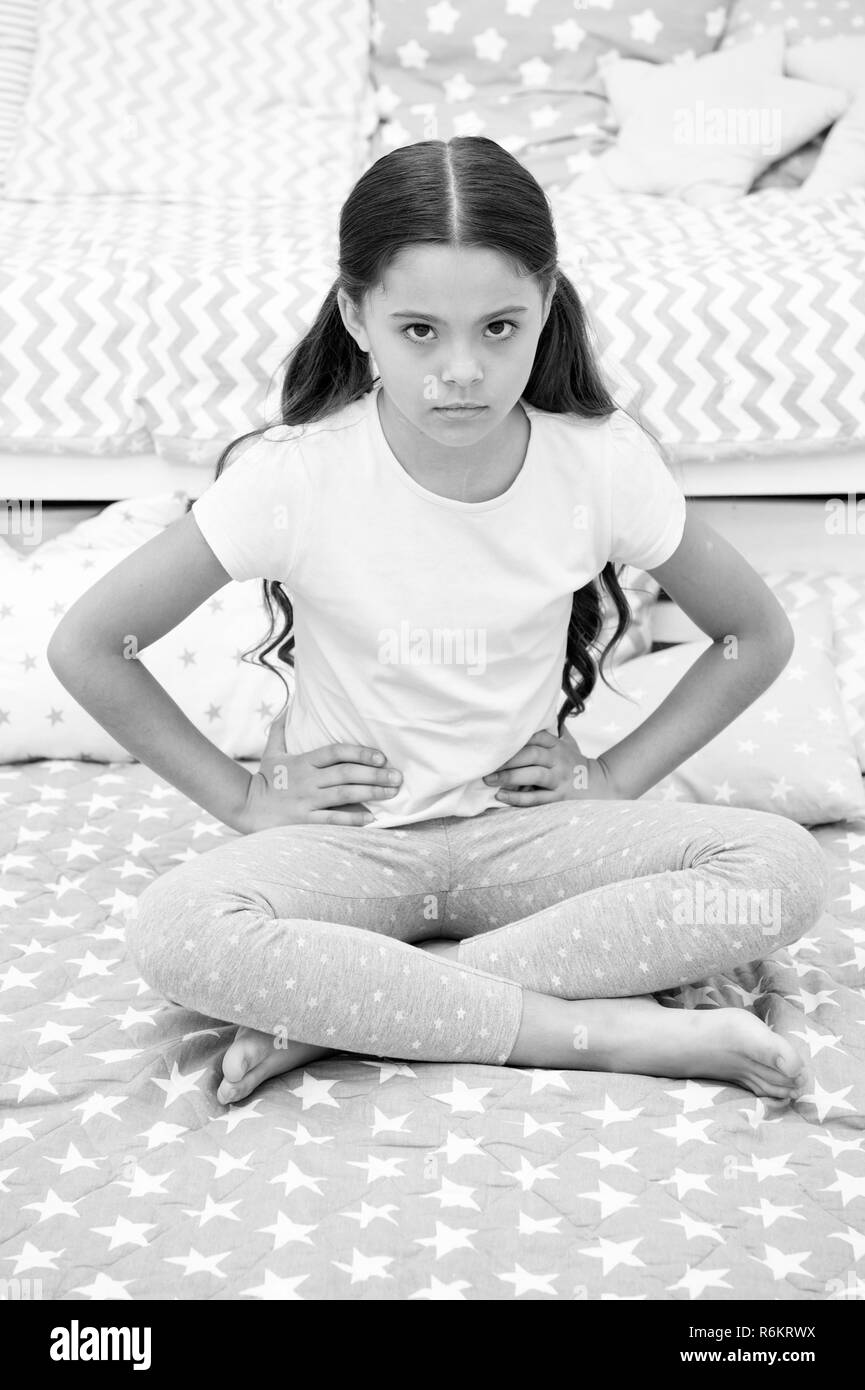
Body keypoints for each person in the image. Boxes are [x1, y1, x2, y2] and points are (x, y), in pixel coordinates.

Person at [48, 136, 828, 1109]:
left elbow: (752, 635)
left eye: (499, 327)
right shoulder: (296, 478)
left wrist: (614, 777)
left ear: (547, 305)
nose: (461, 370)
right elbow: (90, 644)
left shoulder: (599, 465)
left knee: (779, 872)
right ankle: (587, 1032)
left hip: (522, 838)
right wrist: (246, 804)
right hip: (352, 847)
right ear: (355, 317)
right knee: (178, 928)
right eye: (419, 331)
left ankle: (356, 1003)